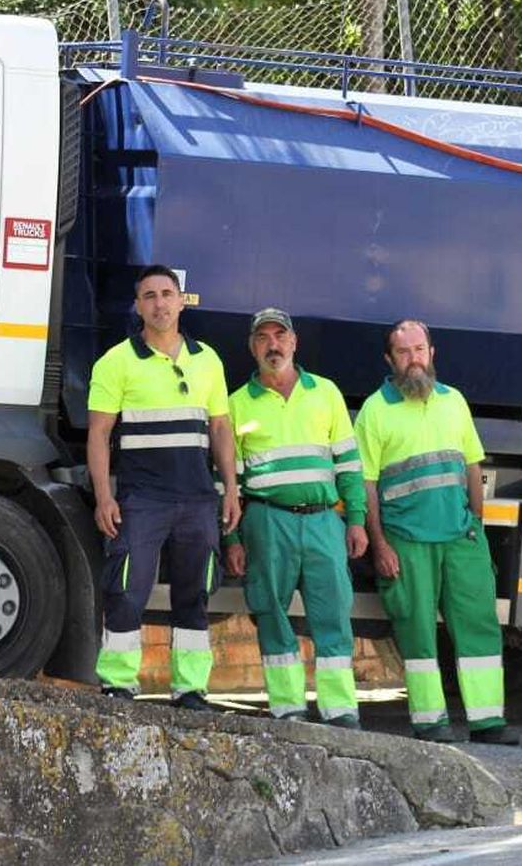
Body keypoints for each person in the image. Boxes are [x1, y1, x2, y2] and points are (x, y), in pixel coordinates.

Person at [353, 319, 517, 745]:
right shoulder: (375, 410)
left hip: (459, 537)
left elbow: (472, 464)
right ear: (390, 359)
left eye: (419, 350)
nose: (414, 360)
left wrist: (475, 527)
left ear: (432, 353)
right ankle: (430, 722)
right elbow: (365, 483)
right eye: (404, 352)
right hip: (406, 542)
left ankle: (487, 722)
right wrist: (380, 545)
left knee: (479, 624)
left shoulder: (453, 400)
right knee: (417, 631)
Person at [87, 264, 242, 709]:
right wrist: (104, 496)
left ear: (180, 301)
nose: (159, 303)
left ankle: (191, 689)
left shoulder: (207, 359)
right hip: (141, 500)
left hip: (197, 499)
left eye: (166, 294)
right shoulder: (115, 362)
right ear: (138, 306)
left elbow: (221, 428)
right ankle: (118, 683)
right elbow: (98, 434)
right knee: (126, 591)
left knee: (194, 594)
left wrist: (230, 488)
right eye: (149, 295)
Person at [224, 307, 367, 729]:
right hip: (267, 522)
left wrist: (355, 519)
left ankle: (340, 709)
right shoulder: (235, 404)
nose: (273, 344)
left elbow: (349, 464)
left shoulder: (325, 393)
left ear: (294, 342)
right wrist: (232, 540)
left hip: (324, 521)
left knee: (334, 614)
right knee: (270, 612)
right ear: (253, 347)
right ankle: (288, 708)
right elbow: (225, 480)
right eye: (264, 338)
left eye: (280, 336)